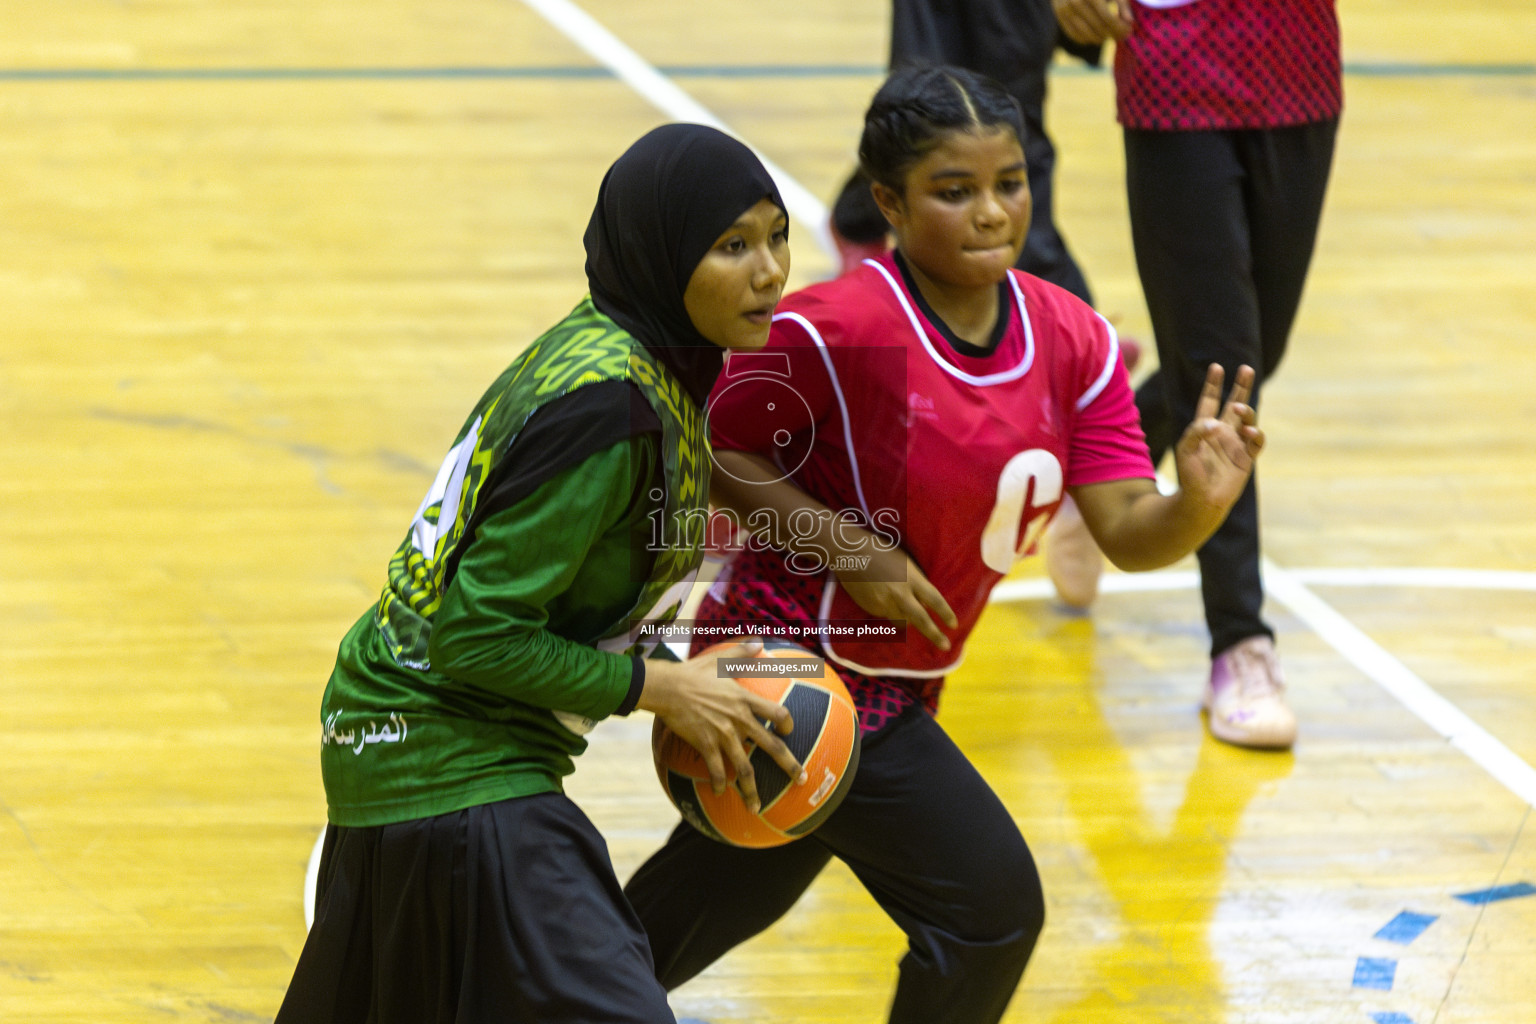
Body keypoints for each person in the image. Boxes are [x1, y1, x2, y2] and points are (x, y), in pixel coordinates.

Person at [624, 66, 1265, 1024]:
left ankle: (523, 1001)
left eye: (1009, 183)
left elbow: (1130, 532)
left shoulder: (1074, 341)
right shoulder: (838, 326)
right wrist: (849, 550)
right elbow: (706, 437)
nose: (991, 212)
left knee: (698, 910)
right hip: (790, 671)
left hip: (902, 679)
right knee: (991, 911)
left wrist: (1199, 505)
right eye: (952, 191)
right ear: (888, 201)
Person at [273, 123, 811, 1024]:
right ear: (662, 251)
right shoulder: (612, 406)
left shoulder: (630, 354)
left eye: (776, 235)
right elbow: (475, 633)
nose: (769, 270)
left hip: (410, 747)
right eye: (732, 245)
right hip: (452, 761)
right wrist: (658, 688)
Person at [1052, 0, 1342, 749]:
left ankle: (1099, 483)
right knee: (1222, 367)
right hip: (1173, 60)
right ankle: (1240, 643)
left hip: (1297, 54)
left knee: (1247, 357)